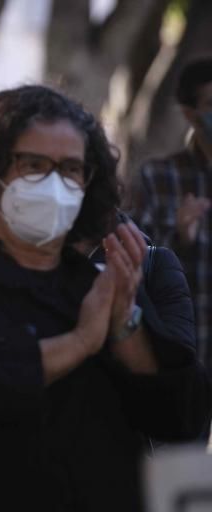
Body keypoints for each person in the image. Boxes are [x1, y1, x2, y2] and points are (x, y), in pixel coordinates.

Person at [0, 85, 212, 511]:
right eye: (34, 165)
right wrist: (78, 343)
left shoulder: (100, 283)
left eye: (71, 168)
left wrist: (125, 326)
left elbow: (182, 419)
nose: (55, 182)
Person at [132, 56, 212, 371]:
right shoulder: (158, 177)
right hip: (186, 354)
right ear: (190, 113)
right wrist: (179, 237)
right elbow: (137, 264)